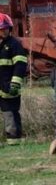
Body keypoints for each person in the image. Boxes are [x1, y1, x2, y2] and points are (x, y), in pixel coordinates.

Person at [0, 13, 27, 145]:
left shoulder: (14, 44)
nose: (4, 32)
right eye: (1, 29)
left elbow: (20, 64)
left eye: (5, 29)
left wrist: (15, 82)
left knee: (10, 113)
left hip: (9, 86)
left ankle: (14, 141)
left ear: (10, 29)